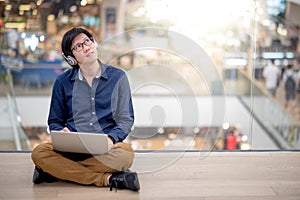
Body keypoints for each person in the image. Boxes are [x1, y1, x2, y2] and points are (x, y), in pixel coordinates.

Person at [31, 27, 140, 191]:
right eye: (78, 47)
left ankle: (56, 171)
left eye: (87, 41)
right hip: (71, 149)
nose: (86, 47)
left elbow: (126, 120)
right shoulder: (62, 82)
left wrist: (111, 139)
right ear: (71, 58)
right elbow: (55, 121)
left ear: (94, 44)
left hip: (106, 148)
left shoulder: (119, 77)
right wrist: (61, 131)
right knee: (39, 153)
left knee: (126, 154)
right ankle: (107, 179)